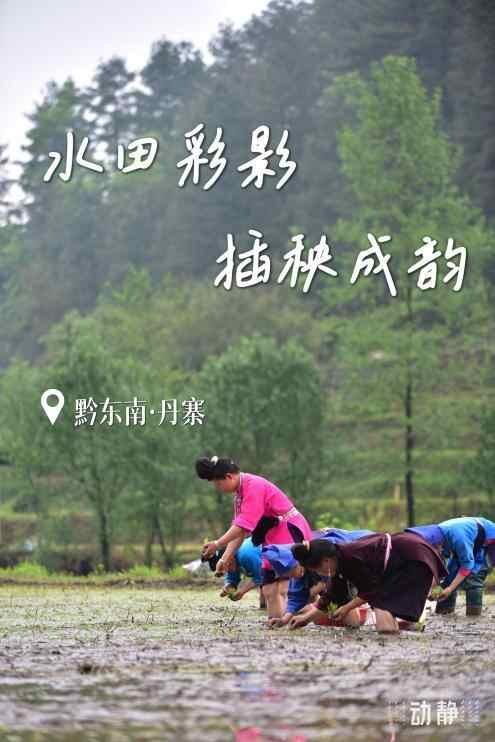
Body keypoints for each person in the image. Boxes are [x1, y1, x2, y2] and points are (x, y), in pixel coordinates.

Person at [197, 455, 312, 618]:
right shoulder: (239, 495)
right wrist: (224, 558)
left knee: (284, 588)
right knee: (269, 590)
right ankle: (276, 625)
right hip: (271, 537)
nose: (218, 488)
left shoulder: (253, 486)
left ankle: (311, 614)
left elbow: (243, 525)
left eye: (218, 484)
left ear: (229, 477)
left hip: (288, 531)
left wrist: (217, 543)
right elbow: (239, 530)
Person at [288, 532, 447, 634]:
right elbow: (331, 596)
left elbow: (371, 590)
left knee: (382, 611)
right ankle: (400, 631)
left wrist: (347, 607)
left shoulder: (350, 558)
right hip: (409, 556)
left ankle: (396, 637)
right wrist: (305, 619)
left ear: (326, 561)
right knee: (383, 613)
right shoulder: (340, 559)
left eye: (317, 569)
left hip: (411, 558)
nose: (318, 573)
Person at [264, 528, 373, 628]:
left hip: (366, 551)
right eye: (288, 576)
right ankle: (353, 629)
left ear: (297, 564)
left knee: (343, 597)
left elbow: (337, 592)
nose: (292, 577)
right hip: (344, 573)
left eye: (292, 572)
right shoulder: (302, 566)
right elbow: (296, 596)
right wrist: (284, 620)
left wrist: (306, 617)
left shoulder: (323, 558)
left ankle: (353, 629)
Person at [406, 517, 495, 616]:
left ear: (439, 545)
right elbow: (440, 568)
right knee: (448, 577)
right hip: (469, 539)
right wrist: (432, 588)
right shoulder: (438, 535)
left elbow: (467, 566)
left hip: (489, 538)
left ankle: (474, 616)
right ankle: (444, 612)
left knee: (473, 577)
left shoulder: (458, 539)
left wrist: (451, 588)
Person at [207, 537, 265, 607]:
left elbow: (261, 576)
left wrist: (242, 591)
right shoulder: (232, 558)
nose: (226, 571)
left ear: (227, 559)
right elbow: (232, 578)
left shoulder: (245, 556)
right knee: (265, 600)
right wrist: (228, 586)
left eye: (223, 568)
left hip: (273, 554)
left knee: (270, 589)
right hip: (264, 564)